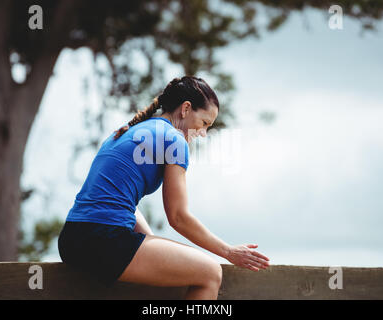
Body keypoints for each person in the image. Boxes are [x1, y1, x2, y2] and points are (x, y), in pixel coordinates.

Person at [58, 76, 270, 300]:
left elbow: (120, 203)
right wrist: (228, 252)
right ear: (186, 108)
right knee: (210, 273)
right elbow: (178, 216)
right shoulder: (174, 140)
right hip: (104, 240)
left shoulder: (125, 131)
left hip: (72, 239)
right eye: (205, 123)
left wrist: (150, 243)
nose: (203, 133)